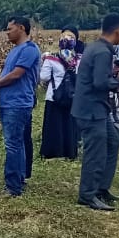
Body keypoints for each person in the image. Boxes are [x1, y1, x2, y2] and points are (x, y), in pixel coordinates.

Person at [72, 14, 119, 211]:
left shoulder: (97, 48)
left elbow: (98, 77)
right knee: (95, 152)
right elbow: (99, 83)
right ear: (118, 31)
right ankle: (87, 195)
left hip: (96, 108)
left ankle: (101, 188)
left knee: (114, 141)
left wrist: (112, 75)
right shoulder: (102, 52)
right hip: (91, 110)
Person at [0, 16, 41, 198]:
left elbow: (16, 75)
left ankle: (13, 187)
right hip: (10, 103)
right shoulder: (14, 51)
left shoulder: (29, 49)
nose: (7, 32)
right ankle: (19, 179)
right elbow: (5, 75)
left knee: (13, 145)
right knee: (18, 143)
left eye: (10, 29)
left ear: (22, 28)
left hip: (18, 104)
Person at [39, 30, 81, 160]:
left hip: (54, 96)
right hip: (73, 96)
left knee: (54, 125)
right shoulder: (79, 59)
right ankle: (70, 152)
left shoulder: (51, 59)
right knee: (70, 124)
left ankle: (52, 152)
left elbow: (44, 77)